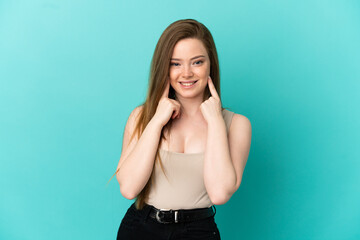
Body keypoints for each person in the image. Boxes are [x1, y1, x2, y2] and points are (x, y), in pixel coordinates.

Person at [114, 19, 252, 240]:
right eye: (175, 64)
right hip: (140, 228)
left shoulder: (236, 124)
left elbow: (219, 193)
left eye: (197, 62)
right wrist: (157, 121)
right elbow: (129, 189)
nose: (186, 73)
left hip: (198, 231)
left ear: (210, 65)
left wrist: (215, 121)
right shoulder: (142, 116)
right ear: (164, 68)